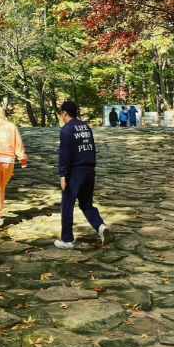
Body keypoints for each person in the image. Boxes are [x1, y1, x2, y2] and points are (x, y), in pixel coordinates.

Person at [55, 100, 110, 250]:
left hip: (75, 171)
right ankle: (100, 226)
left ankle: (66, 239)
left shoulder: (66, 130)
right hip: (89, 169)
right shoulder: (86, 127)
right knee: (86, 203)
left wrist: (62, 173)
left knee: (67, 204)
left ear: (64, 113)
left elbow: (64, 153)